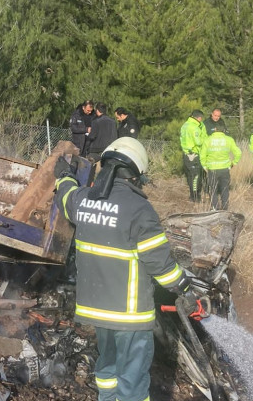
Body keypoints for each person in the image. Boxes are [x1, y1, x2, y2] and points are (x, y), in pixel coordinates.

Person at [53, 137, 196, 401]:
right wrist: (184, 288)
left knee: (107, 368)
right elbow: (161, 266)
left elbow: (66, 196)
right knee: (133, 381)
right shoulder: (141, 210)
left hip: (97, 311)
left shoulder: (84, 201)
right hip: (130, 316)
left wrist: (63, 175)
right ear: (135, 174)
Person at [200, 123, 241, 210]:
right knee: (225, 189)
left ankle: (215, 208)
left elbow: (202, 155)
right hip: (225, 169)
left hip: (212, 169)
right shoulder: (229, 139)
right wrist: (233, 163)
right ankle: (225, 208)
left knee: (213, 190)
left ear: (215, 130)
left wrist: (204, 166)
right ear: (224, 131)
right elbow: (238, 153)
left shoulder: (208, 140)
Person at [179, 110, 207, 203]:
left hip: (186, 154)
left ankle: (192, 196)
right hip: (194, 154)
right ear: (199, 118)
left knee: (190, 176)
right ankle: (195, 197)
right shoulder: (194, 127)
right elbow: (198, 141)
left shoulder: (185, 125)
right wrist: (205, 139)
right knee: (196, 177)